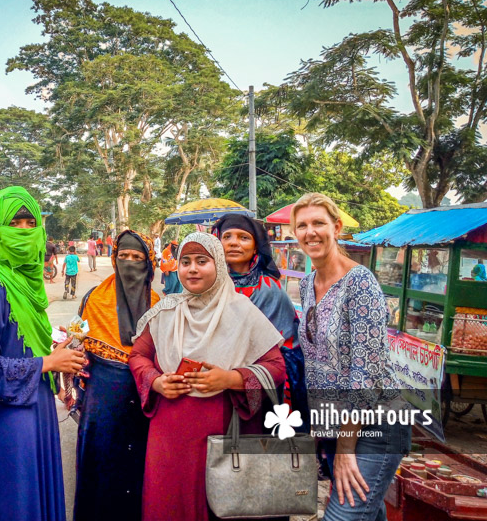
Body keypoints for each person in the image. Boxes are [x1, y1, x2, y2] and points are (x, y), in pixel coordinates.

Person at [129, 232, 286, 521]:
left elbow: (276, 367)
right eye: (185, 261)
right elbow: (138, 355)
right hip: (169, 432)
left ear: (219, 266)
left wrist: (231, 379)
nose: (192, 269)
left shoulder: (242, 312)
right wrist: (156, 380)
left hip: (223, 428)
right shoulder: (165, 311)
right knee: (168, 502)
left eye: (202, 261)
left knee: (218, 503)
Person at [0, 186, 85, 521]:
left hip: (40, 405)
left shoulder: (28, 283)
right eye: (14, 224)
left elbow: (21, 345)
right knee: (16, 502)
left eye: (29, 224)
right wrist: (49, 362)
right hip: (10, 415)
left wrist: (58, 353)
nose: (22, 232)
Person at [292, 193, 410, 521]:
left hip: (376, 425)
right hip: (336, 423)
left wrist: (345, 449)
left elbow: (365, 374)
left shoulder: (360, 283)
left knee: (342, 516)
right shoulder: (307, 284)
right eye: (302, 225)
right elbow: (315, 362)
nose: (310, 232)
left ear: (337, 228)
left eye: (318, 223)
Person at [74, 230, 160, 521]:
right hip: (102, 399)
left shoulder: (160, 303)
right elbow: (78, 346)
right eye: (123, 256)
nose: (129, 263)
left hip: (145, 398)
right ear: (113, 259)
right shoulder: (94, 299)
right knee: (100, 469)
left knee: (138, 469)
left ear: (148, 264)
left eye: (137, 258)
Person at [211, 214, 306, 420]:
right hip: (211, 384)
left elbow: (283, 346)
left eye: (243, 237)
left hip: (262, 386)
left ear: (256, 247)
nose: (234, 243)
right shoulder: (207, 286)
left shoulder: (269, 289)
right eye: (227, 237)